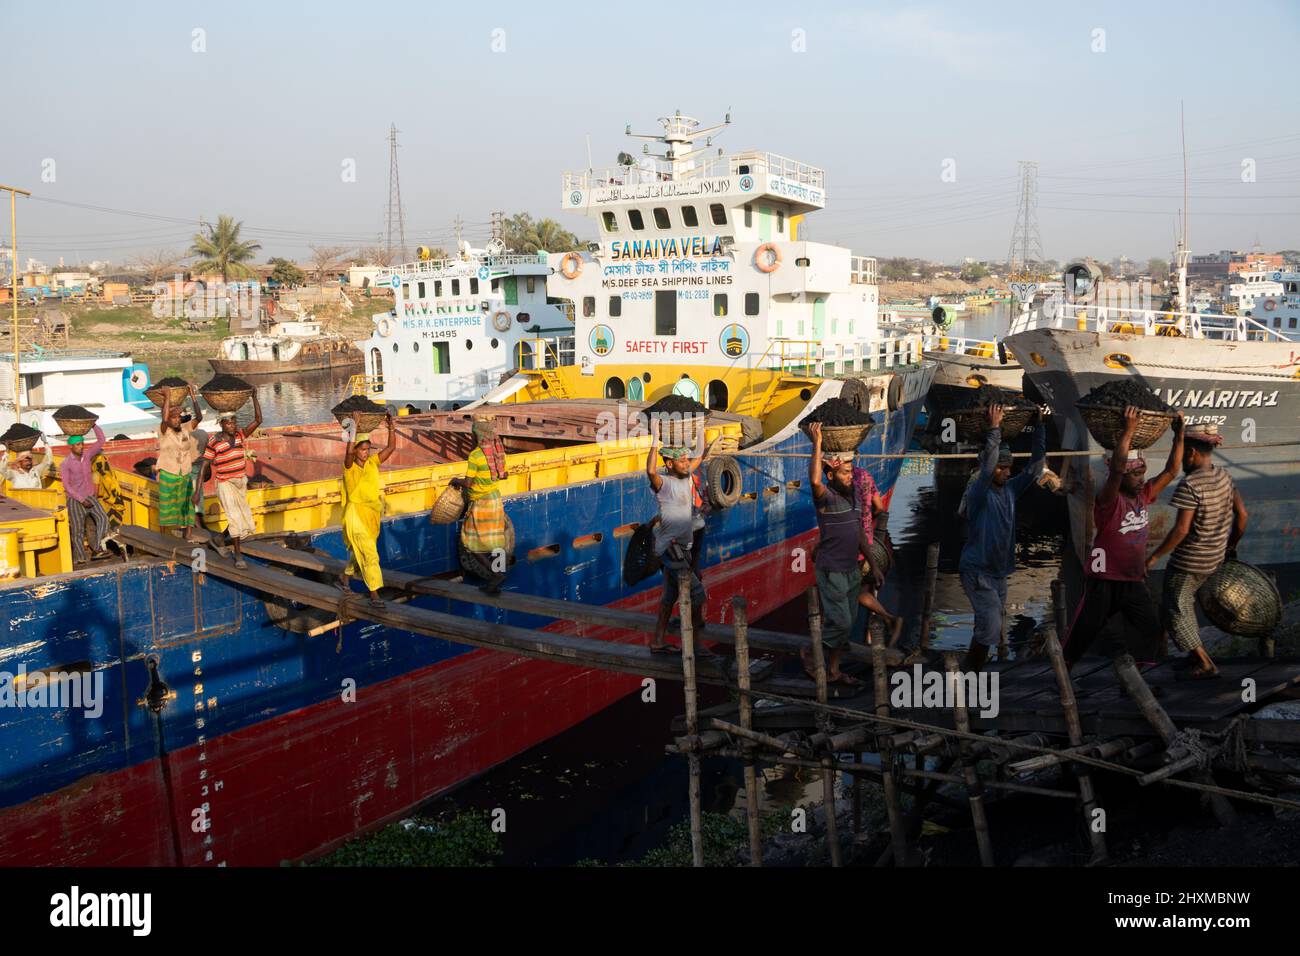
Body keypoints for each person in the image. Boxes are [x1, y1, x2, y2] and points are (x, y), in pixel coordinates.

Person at [1062, 407, 1183, 668]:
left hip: (1132, 581)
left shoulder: (1144, 495)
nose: (1141, 479)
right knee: (1083, 633)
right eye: (1135, 474)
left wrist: (1179, 434)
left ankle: (1142, 673)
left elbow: (1172, 471)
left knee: (1151, 627)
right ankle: (1063, 672)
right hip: (1103, 582)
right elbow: (1116, 470)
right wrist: (1129, 429)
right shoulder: (1108, 500)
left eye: (1142, 473)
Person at [1146, 423, 1247, 680]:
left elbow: (1181, 530)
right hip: (1213, 559)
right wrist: (1230, 545)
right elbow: (1243, 516)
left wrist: (1154, 557)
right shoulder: (1224, 475)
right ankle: (1192, 656)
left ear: (1190, 453)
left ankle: (1205, 663)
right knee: (1185, 605)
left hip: (1188, 562)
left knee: (1176, 608)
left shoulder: (1190, 485)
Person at [806, 423, 896, 684]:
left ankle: (833, 671)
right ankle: (810, 653)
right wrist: (818, 443)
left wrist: (874, 565)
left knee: (847, 623)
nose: (849, 477)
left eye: (849, 473)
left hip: (851, 569)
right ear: (831, 476)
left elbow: (859, 536)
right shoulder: (825, 497)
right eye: (844, 473)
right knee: (842, 622)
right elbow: (814, 479)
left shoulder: (852, 501)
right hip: (831, 569)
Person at [959, 403, 1046, 671]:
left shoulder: (1009, 490)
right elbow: (986, 469)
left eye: (1009, 468)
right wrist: (994, 428)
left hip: (999, 572)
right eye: (1002, 468)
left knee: (989, 625)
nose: (1007, 473)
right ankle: (969, 673)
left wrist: (1040, 427)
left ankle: (974, 668)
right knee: (991, 627)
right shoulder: (978, 493)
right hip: (977, 572)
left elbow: (1034, 468)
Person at [645, 419, 709, 655]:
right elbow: (651, 470)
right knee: (698, 594)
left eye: (687, 460)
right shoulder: (665, 484)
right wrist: (654, 441)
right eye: (682, 461)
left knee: (669, 598)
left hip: (682, 548)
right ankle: (694, 643)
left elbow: (699, 456)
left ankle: (658, 640)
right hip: (672, 551)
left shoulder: (685, 476)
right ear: (670, 463)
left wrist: (701, 430)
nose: (687, 463)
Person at [336, 410, 398, 607]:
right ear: (355, 450)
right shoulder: (350, 467)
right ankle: (374, 596)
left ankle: (344, 580)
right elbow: (347, 453)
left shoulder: (372, 463)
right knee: (370, 554)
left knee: (358, 552)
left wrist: (391, 426)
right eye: (362, 450)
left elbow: (391, 447)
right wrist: (353, 428)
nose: (366, 453)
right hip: (356, 517)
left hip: (371, 515)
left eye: (368, 449)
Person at [451, 415, 511, 595]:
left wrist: (455, 480)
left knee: (469, 542)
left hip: (481, 504)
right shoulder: (497, 452)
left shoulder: (475, 456)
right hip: (495, 500)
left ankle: (495, 575)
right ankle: (499, 573)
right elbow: (504, 474)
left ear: (476, 435)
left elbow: (468, 484)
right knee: (497, 541)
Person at [201, 394, 263, 570]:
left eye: (234, 422)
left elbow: (258, 419)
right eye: (228, 423)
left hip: (240, 482)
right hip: (225, 483)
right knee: (235, 518)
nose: (232, 425)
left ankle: (219, 539)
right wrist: (198, 489)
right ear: (221, 424)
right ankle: (237, 555)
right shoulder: (214, 442)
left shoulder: (240, 435)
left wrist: (254, 397)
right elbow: (205, 464)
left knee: (242, 517)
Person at [851, 462, 903, 644]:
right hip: (868, 541)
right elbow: (879, 507)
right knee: (861, 588)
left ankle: (889, 617)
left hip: (852, 545)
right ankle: (873, 633)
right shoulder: (865, 476)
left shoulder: (844, 482)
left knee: (848, 591)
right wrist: (867, 522)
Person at [59, 424, 111, 564]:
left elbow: (101, 440)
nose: (81, 447)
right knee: (77, 530)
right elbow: (67, 486)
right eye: (77, 445)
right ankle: (80, 558)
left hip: (90, 496)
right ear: (71, 447)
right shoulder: (65, 464)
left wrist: (93, 425)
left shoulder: (87, 455)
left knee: (103, 518)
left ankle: (98, 548)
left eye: (82, 444)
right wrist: (81, 500)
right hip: (75, 500)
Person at [156, 385, 203, 541]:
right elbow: (164, 418)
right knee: (166, 505)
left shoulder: (185, 428)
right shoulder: (163, 431)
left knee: (187, 503)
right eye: (173, 417)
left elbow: (199, 418)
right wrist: (167, 396)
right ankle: (163, 535)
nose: (176, 420)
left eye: (178, 417)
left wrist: (192, 394)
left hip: (184, 473)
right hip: (168, 473)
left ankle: (188, 533)